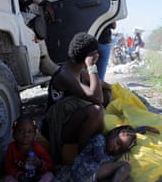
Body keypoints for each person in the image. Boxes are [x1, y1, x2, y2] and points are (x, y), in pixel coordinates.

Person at [43, 32, 112, 164]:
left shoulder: (78, 70)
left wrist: (113, 88)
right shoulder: (65, 75)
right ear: (90, 56)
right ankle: (82, 158)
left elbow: (101, 87)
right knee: (96, 110)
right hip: (57, 128)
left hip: (71, 120)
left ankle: (94, 142)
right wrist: (92, 66)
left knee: (107, 95)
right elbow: (97, 98)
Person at [68, 125, 160, 182]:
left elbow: (124, 137)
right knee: (125, 166)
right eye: (118, 143)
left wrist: (138, 132)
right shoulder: (100, 138)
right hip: (82, 173)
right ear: (113, 133)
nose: (116, 148)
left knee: (127, 180)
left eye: (120, 149)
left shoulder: (114, 141)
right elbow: (100, 159)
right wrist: (120, 156)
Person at [4, 115, 54, 182]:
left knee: (49, 176)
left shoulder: (38, 148)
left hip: (35, 176)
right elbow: (8, 166)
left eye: (29, 132)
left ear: (35, 134)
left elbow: (50, 165)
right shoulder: (12, 148)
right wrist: (19, 175)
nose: (26, 135)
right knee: (7, 178)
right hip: (21, 178)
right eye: (21, 131)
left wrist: (39, 163)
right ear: (14, 134)